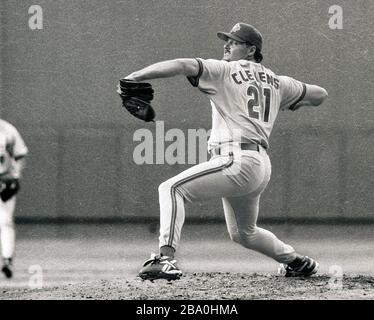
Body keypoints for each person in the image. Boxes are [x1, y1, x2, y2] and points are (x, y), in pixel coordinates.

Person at [124, 23, 328, 280]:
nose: (227, 45)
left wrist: (136, 77)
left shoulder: (224, 70)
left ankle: (165, 257)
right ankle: (297, 262)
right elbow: (321, 94)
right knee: (244, 233)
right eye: (227, 40)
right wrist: (295, 101)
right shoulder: (278, 82)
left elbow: (181, 64)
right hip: (259, 165)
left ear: (251, 49)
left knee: (172, 189)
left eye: (234, 42)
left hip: (236, 159)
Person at [0, 118, 28, 278]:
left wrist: (16, 176)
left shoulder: (6, 129)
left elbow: (20, 154)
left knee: (5, 221)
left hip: (4, 180)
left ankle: (7, 260)